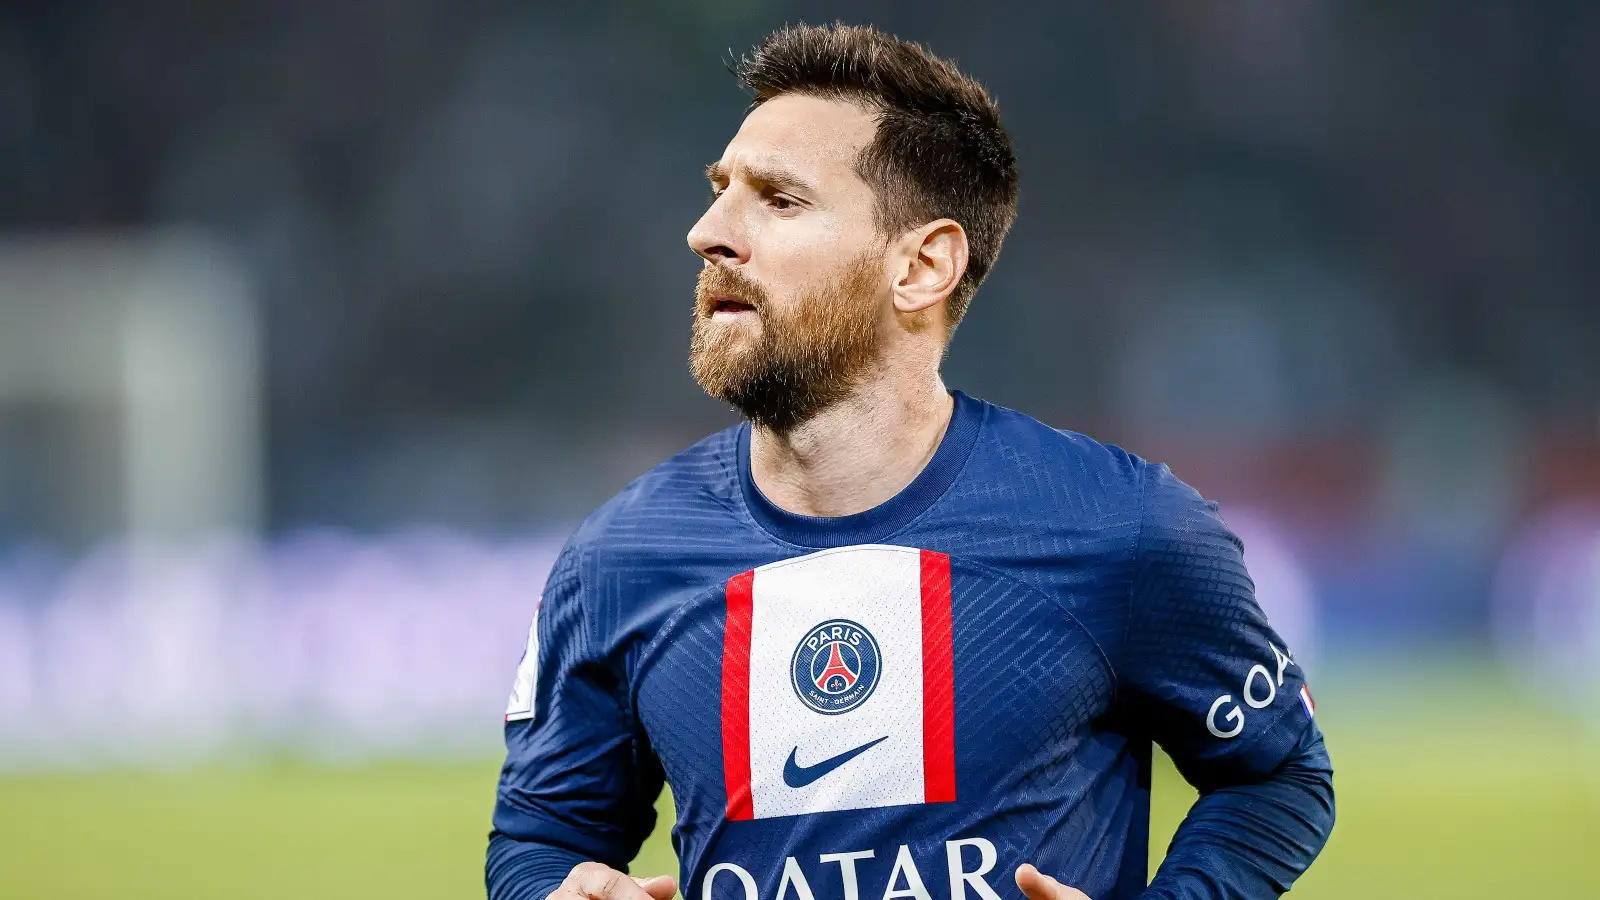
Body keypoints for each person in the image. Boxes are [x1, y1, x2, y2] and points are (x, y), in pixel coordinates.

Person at [487, 23, 1333, 900]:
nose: (708, 232)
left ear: (923, 266)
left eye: (778, 200)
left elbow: (1276, 774)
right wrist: (557, 889)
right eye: (719, 190)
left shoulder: (1124, 529)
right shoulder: (621, 559)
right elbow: (540, 837)